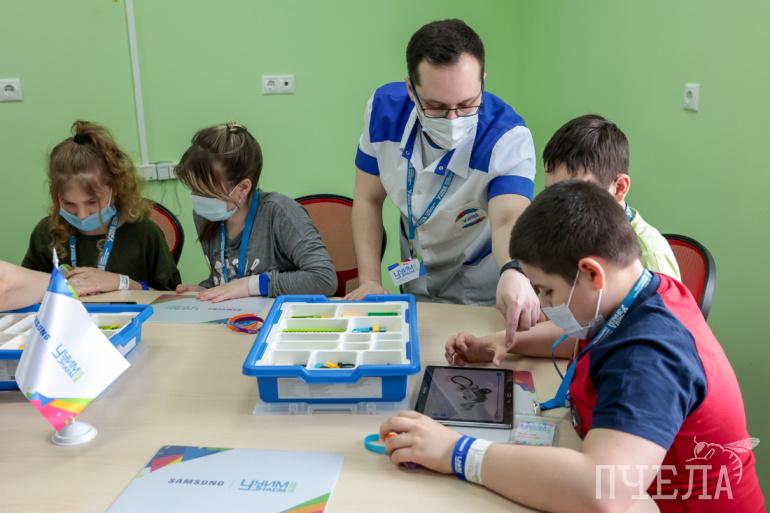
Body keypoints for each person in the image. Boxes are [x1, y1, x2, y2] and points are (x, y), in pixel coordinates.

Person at [381, 181, 764, 512]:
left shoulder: (649, 356)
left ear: (591, 273)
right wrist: (507, 343)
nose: (543, 305)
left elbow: (601, 490)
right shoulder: (644, 293)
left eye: (546, 290)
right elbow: (587, 340)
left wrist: (457, 452)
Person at [346, 19, 540, 329]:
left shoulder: (507, 137)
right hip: (414, 277)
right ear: (411, 89)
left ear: (482, 82)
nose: (453, 120)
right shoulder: (383, 112)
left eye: (467, 104)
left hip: (480, 290)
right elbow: (368, 198)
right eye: (436, 107)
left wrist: (512, 269)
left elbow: (508, 219)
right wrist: (370, 279)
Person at [468, 114, 683, 357]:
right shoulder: (565, 231)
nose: (559, 209)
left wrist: (507, 341)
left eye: (576, 193)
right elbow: (554, 313)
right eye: (552, 193)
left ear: (619, 187)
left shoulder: (651, 255)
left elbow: (645, 339)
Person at [174, 122, 337, 301]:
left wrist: (252, 285)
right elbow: (229, 276)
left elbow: (324, 279)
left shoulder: (280, 212)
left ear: (243, 188)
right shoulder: (205, 215)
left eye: (206, 192)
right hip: (237, 314)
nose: (198, 199)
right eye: (194, 189)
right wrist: (207, 289)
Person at [22, 121, 181, 295]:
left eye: (92, 202)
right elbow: (26, 291)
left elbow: (171, 299)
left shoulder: (145, 233)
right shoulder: (47, 233)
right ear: (56, 195)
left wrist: (122, 283)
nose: (82, 215)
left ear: (116, 188)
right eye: (69, 204)